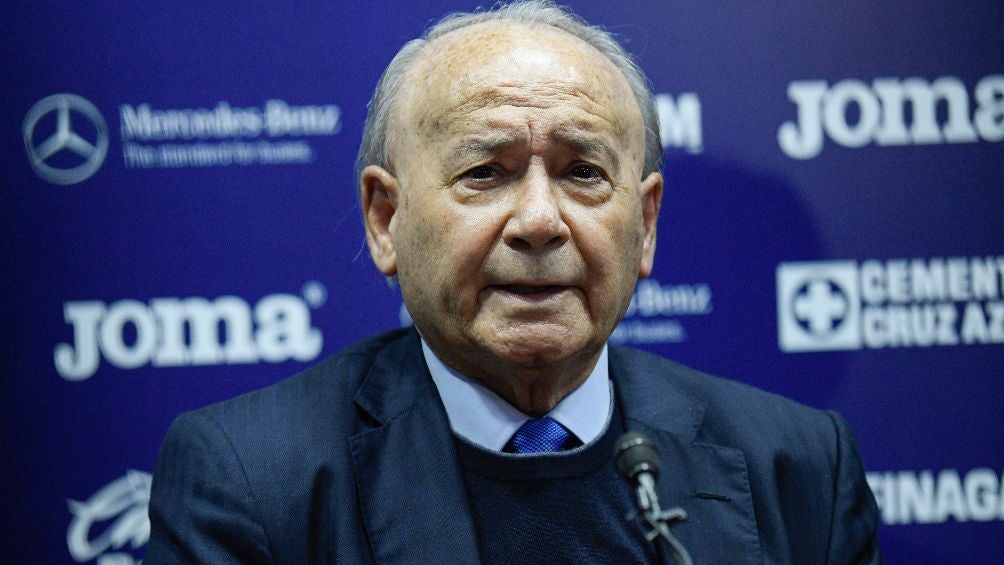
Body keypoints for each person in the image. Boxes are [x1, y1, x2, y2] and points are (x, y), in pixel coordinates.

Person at [146, 1, 880, 563]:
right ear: (385, 219)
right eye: (485, 172)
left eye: (582, 172)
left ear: (646, 224)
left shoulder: (799, 468)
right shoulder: (251, 479)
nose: (538, 221)